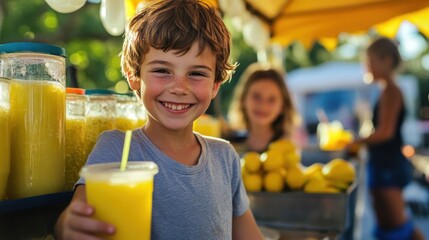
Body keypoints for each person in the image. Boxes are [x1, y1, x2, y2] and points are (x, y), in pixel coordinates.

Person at [54, 0, 263, 239]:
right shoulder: (117, 148)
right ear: (134, 76)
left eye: (196, 74)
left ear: (215, 85)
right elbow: (75, 219)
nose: (179, 88)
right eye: (162, 71)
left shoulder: (225, 157)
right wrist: (66, 225)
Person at [350, 37, 424, 240]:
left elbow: (386, 132)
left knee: (396, 226)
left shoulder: (392, 90)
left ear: (387, 61)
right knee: (391, 223)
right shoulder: (385, 90)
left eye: (371, 61)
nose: (368, 67)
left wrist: (356, 141)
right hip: (385, 164)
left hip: (388, 165)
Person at [226, 63, 300, 154]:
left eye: (271, 99)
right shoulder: (228, 146)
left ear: (283, 106)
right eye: (256, 96)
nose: (263, 105)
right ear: (243, 99)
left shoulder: (288, 151)